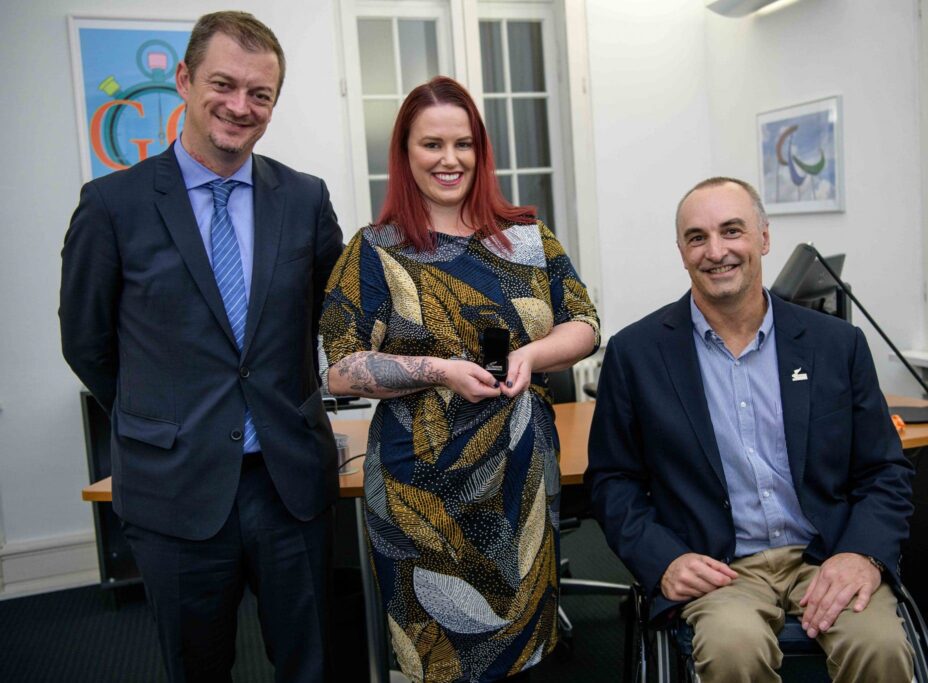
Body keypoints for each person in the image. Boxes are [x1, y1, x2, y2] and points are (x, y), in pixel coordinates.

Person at [59, 11, 343, 682]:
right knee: (197, 669)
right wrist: (162, 417)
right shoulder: (112, 205)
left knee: (312, 665)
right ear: (185, 80)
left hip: (288, 484)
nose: (240, 106)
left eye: (260, 93)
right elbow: (86, 342)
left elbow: (331, 316)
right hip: (174, 488)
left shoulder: (304, 199)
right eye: (224, 84)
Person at [319, 76, 599, 682]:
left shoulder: (528, 238)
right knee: (439, 660)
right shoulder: (374, 250)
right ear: (405, 152)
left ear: (480, 150)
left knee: (523, 653)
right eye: (432, 144)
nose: (450, 159)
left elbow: (585, 323)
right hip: (420, 492)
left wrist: (533, 354)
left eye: (463, 144)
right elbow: (339, 368)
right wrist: (439, 370)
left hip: (521, 478)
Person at [585, 177, 915, 682]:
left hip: (827, 553)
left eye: (732, 231)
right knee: (733, 650)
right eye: (697, 237)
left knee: (881, 646)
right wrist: (665, 560)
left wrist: (862, 553)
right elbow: (613, 481)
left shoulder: (836, 344)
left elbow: (884, 469)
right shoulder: (636, 354)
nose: (716, 251)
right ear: (681, 251)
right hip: (718, 567)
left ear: (763, 237)